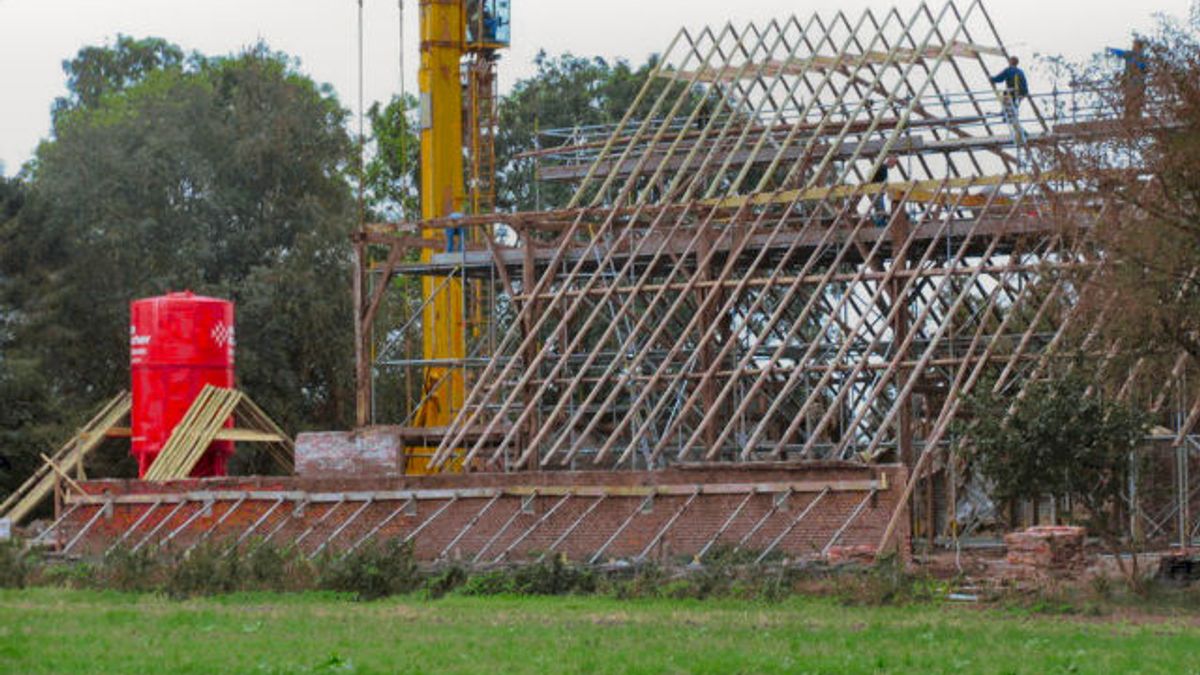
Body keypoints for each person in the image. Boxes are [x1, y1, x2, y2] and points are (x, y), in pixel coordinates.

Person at [990, 56, 1029, 146]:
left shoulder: (1009, 70)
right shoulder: (1020, 71)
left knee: (1011, 114)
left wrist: (991, 79)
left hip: (1012, 94)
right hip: (1020, 94)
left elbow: (999, 78)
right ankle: (1020, 129)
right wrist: (1023, 95)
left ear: (1011, 62)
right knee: (1013, 113)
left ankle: (1021, 130)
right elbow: (1025, 85)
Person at [1109, 39, 1148, 120]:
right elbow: (1121, 53)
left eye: (1134, 45)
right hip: (1130, 82)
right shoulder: (1130, 55)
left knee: (1136, 101)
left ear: (1139, 46)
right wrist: (1111, 50)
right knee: (1129, 101)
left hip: (1137, 83)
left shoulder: (1141, 57)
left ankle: (1136, 118)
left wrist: (1137, 66)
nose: (1133, 46)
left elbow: (1144, 68)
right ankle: (1128, 118)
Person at [872, 156, 899, 227]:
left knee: (880, 209)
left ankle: (880, 224)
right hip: (876, 192)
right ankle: (880, 226)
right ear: (890, 162)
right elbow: (877, 181)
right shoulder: (882, 168)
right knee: (880, 209)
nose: (894, 166)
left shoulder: (883, 168)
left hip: (877, 192)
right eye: (893, 164)